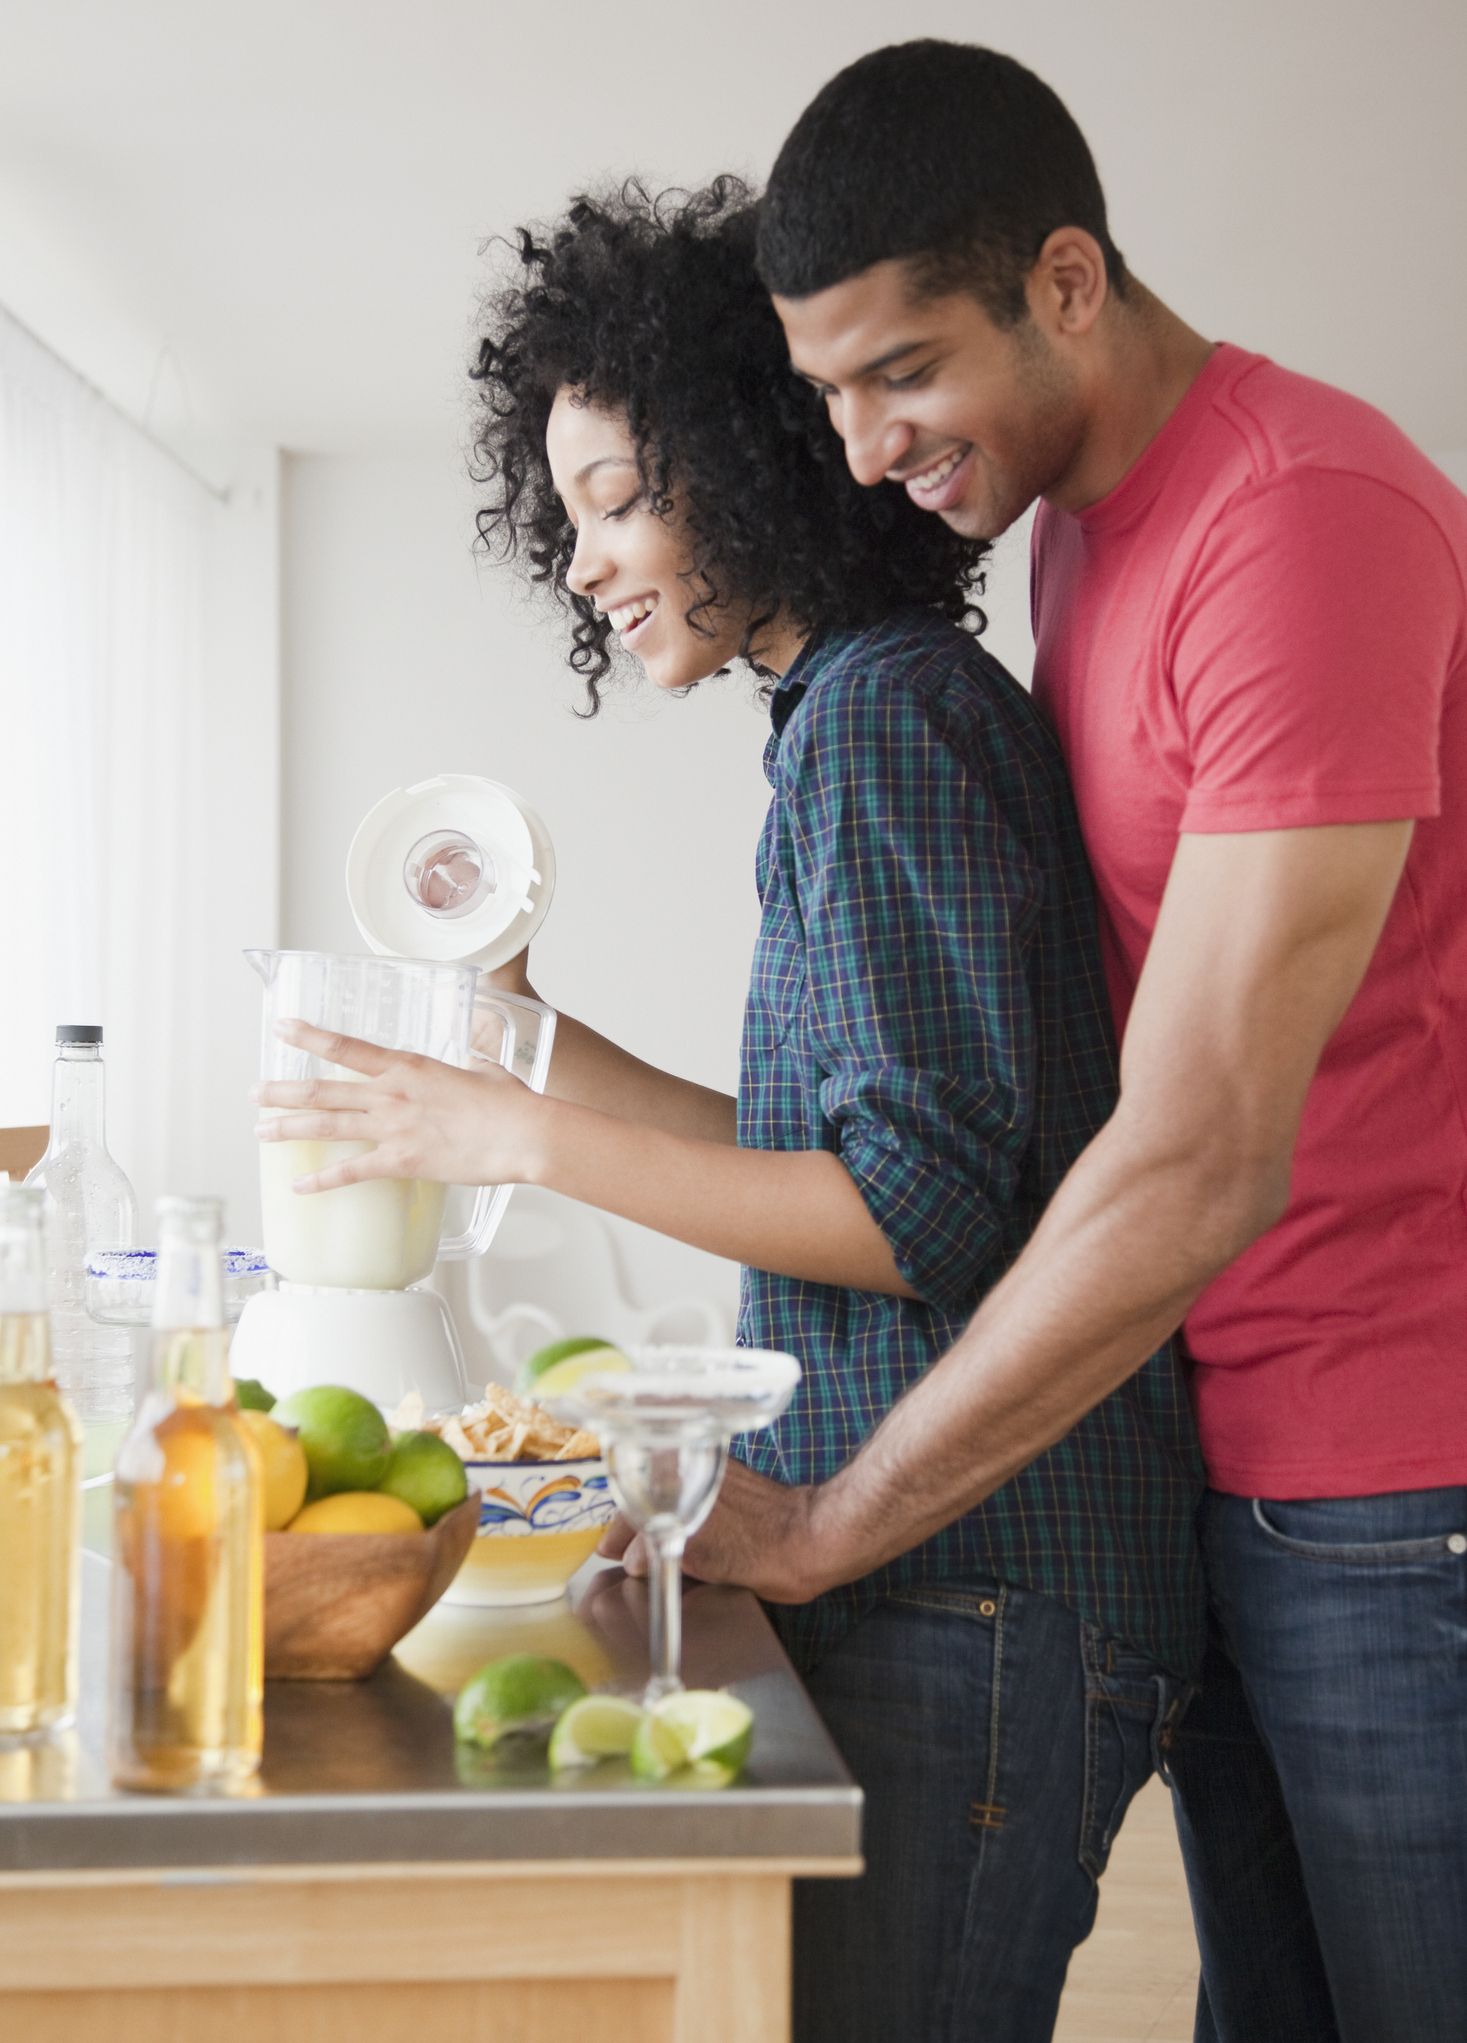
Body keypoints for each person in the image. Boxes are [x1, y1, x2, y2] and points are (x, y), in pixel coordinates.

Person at [253, 179, 1204, 2040]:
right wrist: (516, 1046)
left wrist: (505, 1141)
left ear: (758, 464)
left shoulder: (887, 723)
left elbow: (916, 1219)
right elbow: (834, 1155)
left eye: (620, 502)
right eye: (572, 518)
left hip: (982, 1587)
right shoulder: (853, 717)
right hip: (966, 1582)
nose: (590, 567)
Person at [652, 40, 1467, 2043]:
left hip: (1400, 1470)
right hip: (1242, 1450)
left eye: (900, 371)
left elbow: (1197, 1150)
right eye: (826, 388)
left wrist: (840, 1519)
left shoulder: (1297, 517)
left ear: (1067, 280)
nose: (856, 448)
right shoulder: (1080, 527)